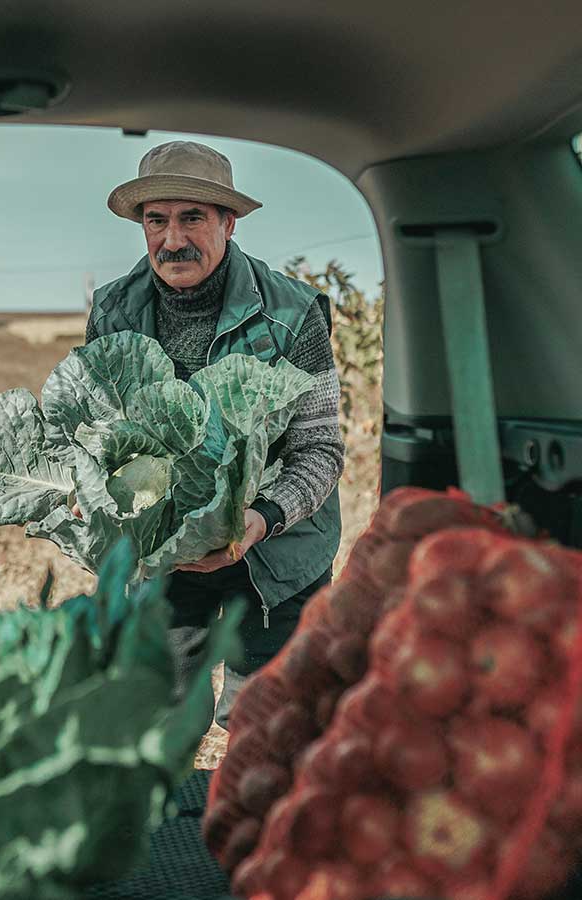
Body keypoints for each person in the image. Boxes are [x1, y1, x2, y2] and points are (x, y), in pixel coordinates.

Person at [84, 140, 344, 730]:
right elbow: (97, 434)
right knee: (162, 718)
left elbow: (320, 448)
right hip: (164, 555)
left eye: (192, 218)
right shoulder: (112, 313)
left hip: (278, 552)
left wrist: (258, 520)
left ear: (228, 222)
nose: (172, 240)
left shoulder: (293, 314)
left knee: (271, 729)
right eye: (157, 220)